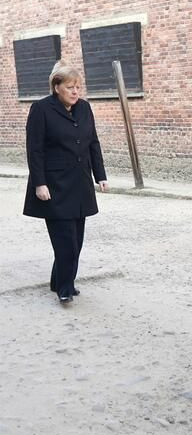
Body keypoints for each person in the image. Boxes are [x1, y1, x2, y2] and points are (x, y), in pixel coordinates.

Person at [23, 61, 108, 305]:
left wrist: (100, 175)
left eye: (78, 87)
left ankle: (57, 279)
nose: (75, 91)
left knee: (77, 240)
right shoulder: (41, 109)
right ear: (56, 87)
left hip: (80, 184)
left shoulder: (84, 109)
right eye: (70, 87)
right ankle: (65, 287)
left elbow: (93, 143)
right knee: (65, 241)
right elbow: (35, 150)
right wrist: (40, 183)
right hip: (54, 185)